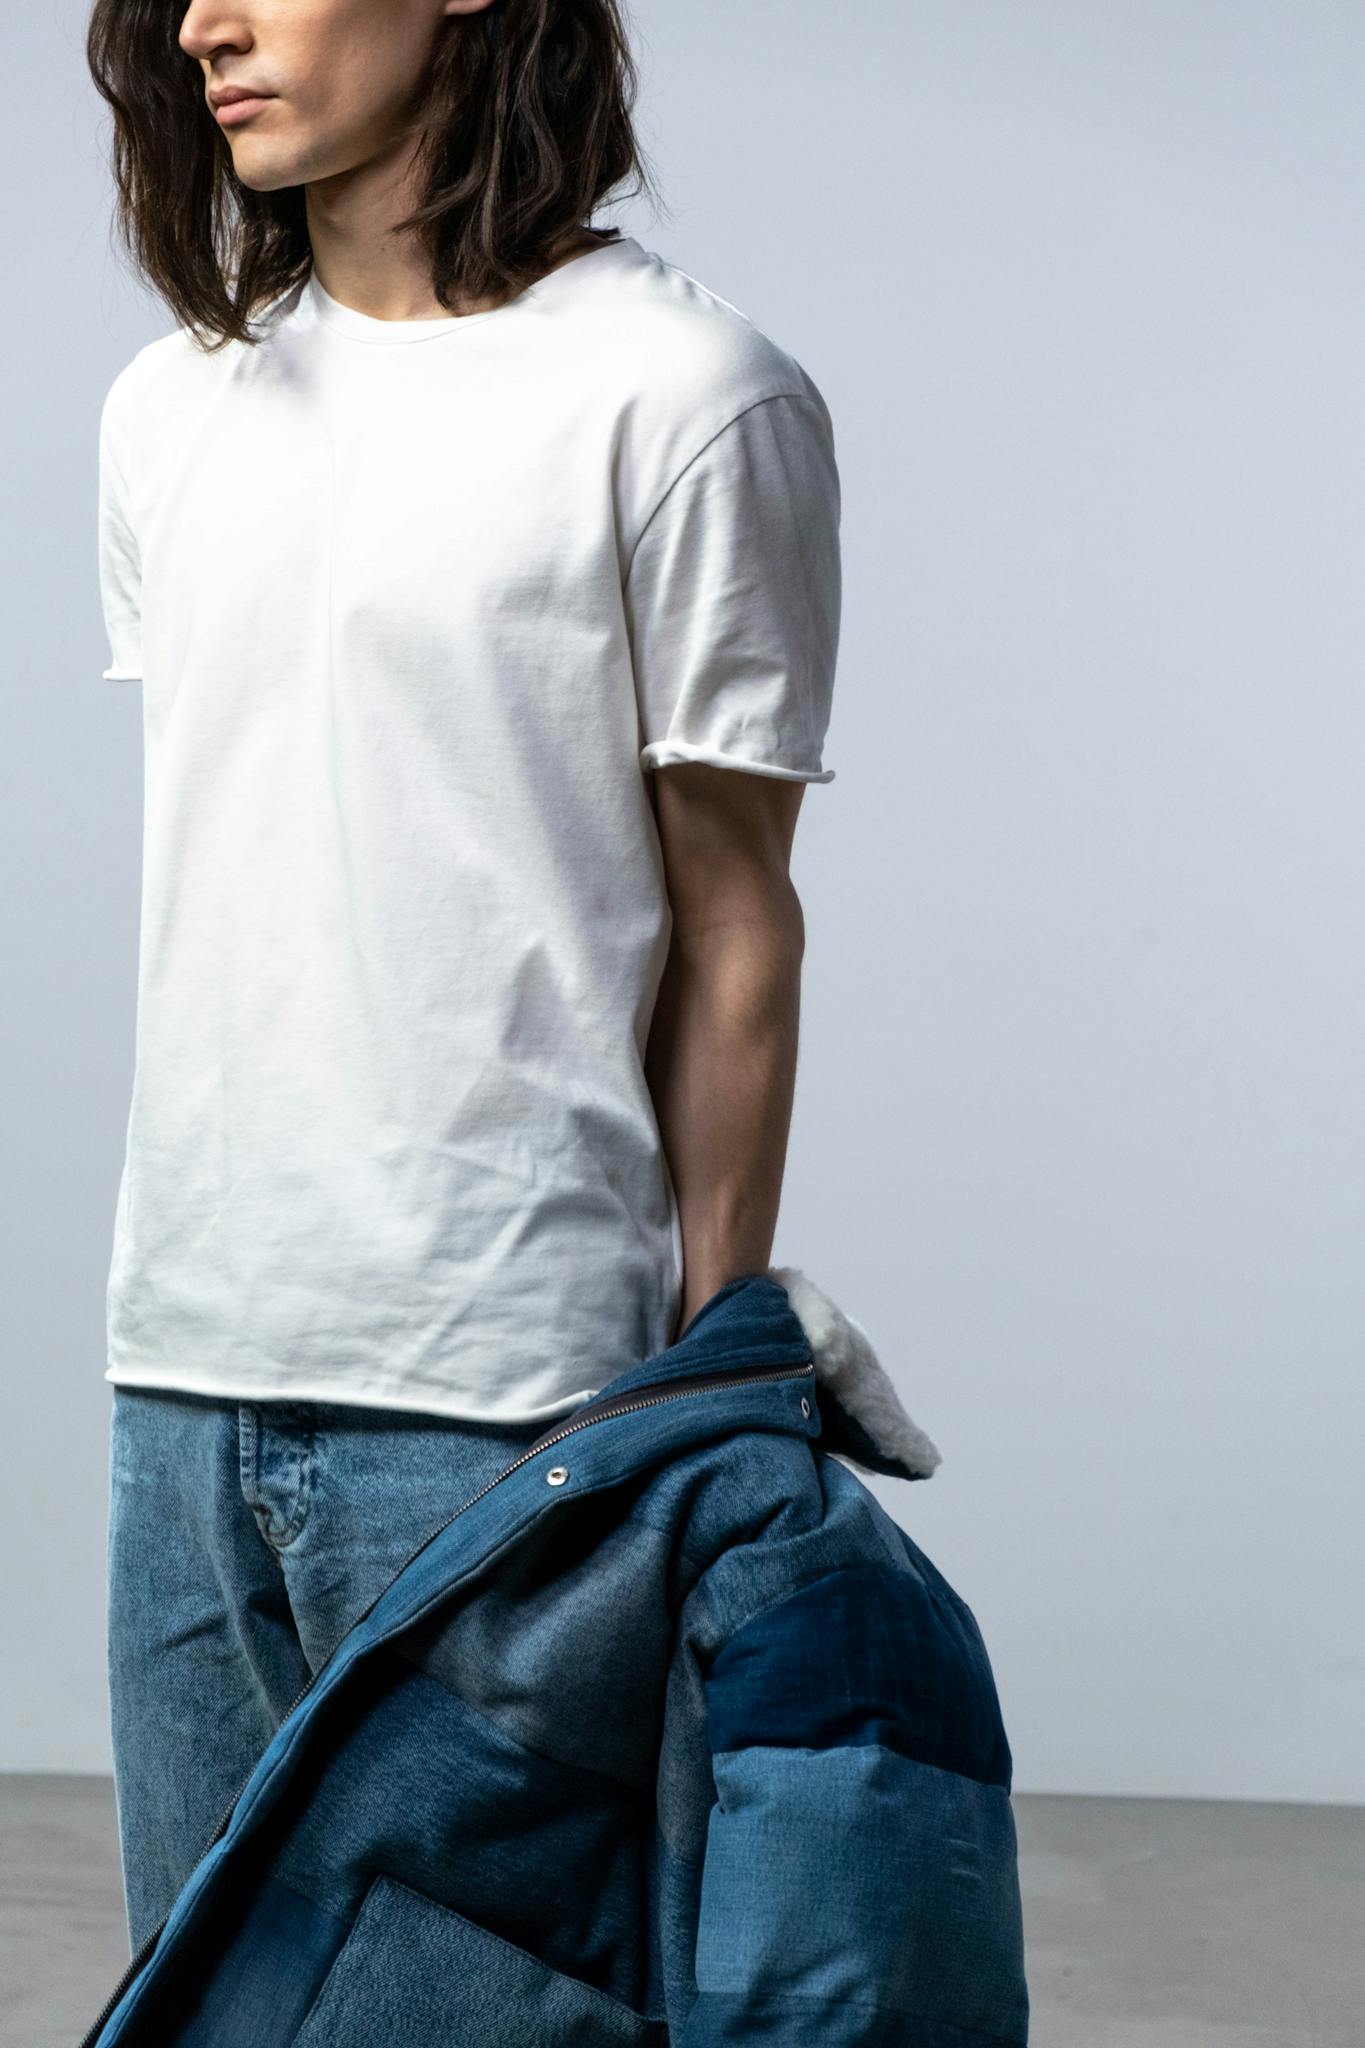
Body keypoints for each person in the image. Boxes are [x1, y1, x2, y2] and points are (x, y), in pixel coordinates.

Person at [89, 0, 842, 1957]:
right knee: (215, 2004)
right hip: (182, 1374)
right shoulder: (172, 406)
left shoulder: (683, 395)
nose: (199, 24)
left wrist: (695, 1383)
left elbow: (733, 916)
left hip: (506, 1401)